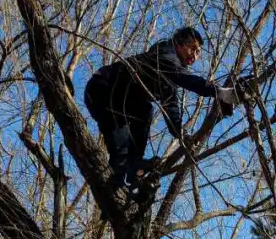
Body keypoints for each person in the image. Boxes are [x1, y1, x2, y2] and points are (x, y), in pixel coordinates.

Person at [84, 27, 239, 191]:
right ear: (179, 43)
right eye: (192, 48)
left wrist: (181, 134)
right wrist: (219, 91)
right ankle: (121, 176)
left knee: (145, 111)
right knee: (121, 155)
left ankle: (131, 174)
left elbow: (171, 107)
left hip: (119, 103)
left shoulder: (168, 79)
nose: (194, 55)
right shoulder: (165, 53)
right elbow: (183, 77)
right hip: (104, 89)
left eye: (198, 52)